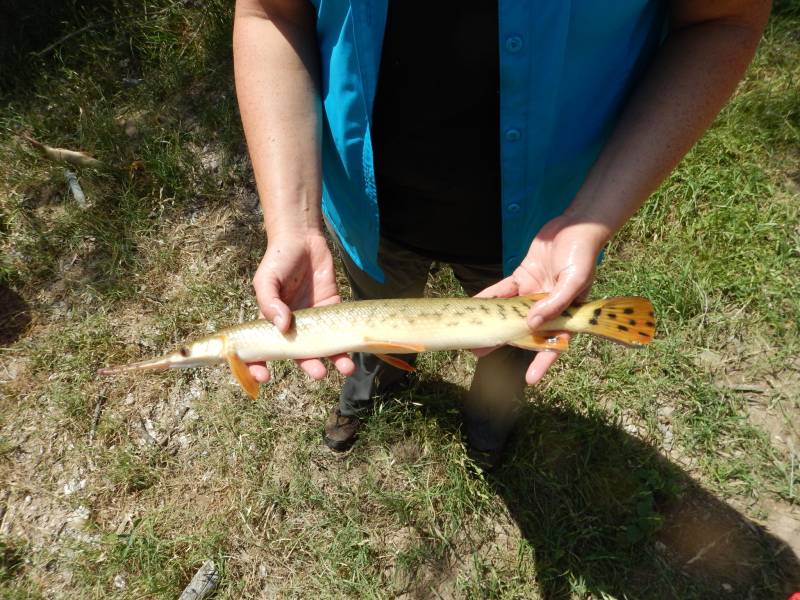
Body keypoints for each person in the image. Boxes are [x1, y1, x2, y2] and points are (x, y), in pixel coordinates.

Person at [233, 0, 770, 467]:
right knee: (368, 319)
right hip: (367, 213)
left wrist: (592, 215)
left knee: (509, 350)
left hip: (536, 234)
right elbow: (270, 10)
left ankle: (490, 420)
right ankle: (372, 387)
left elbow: (723, 18)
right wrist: (293, 223)